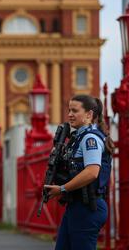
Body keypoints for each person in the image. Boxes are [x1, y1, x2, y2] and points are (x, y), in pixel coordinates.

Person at [44, 94, 114, 250]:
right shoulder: (77, 137)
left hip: (88, 207)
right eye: (69, 110)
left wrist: (62, 188)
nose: (70, 114)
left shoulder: (90, 138)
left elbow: (92, 172)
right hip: (77, 205)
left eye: (75, 110)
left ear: (89, 114)